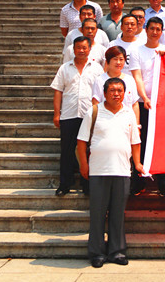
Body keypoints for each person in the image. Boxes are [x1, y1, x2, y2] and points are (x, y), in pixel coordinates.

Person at [76, 77, 143, 267]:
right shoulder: (94, 111)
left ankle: (117, 251)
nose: (116, 94)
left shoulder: (129, 113)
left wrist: (137, 163)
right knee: (98, 213)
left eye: (120, 90)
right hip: (98, 170)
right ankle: (96, 253)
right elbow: (81, 141)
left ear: (125, 93)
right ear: (105, 93)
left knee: (118, 214)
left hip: (122, 171)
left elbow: (135, 142)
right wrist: (83, 165)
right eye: (112, 90)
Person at [50, 35, 104, 196]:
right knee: (67, 150)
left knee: (89, 151)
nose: (81, 50)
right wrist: (56, 114)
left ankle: (87, 185)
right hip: (69, 114)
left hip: (89, 115)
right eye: (78, 48)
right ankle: (65, 184)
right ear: (73, 49)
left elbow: (101, 93)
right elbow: (58, 92)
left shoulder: (97, 69)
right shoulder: (64, 68)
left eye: (84, 47)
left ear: (89, 49)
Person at [128, 16, 165, 197]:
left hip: (163, 104)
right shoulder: (137, 51)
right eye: (152, 28)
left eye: (158, 29)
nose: (155, 32)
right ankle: (139, 182)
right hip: (142, 103)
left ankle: (163, 184)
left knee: (163, 143)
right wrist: (144, 97)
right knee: (141, 141)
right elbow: (137, 76)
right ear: (146, 30)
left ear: (161, 32)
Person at [91, 45, 139, 120]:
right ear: (108, 61)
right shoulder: (100, 80)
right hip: (105, 121)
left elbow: (134, 104)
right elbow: (95, 103)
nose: (118, 62)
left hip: (126, 121)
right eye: (115, 59)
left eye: (121, 59)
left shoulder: (130, 80)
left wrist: (136, 124)